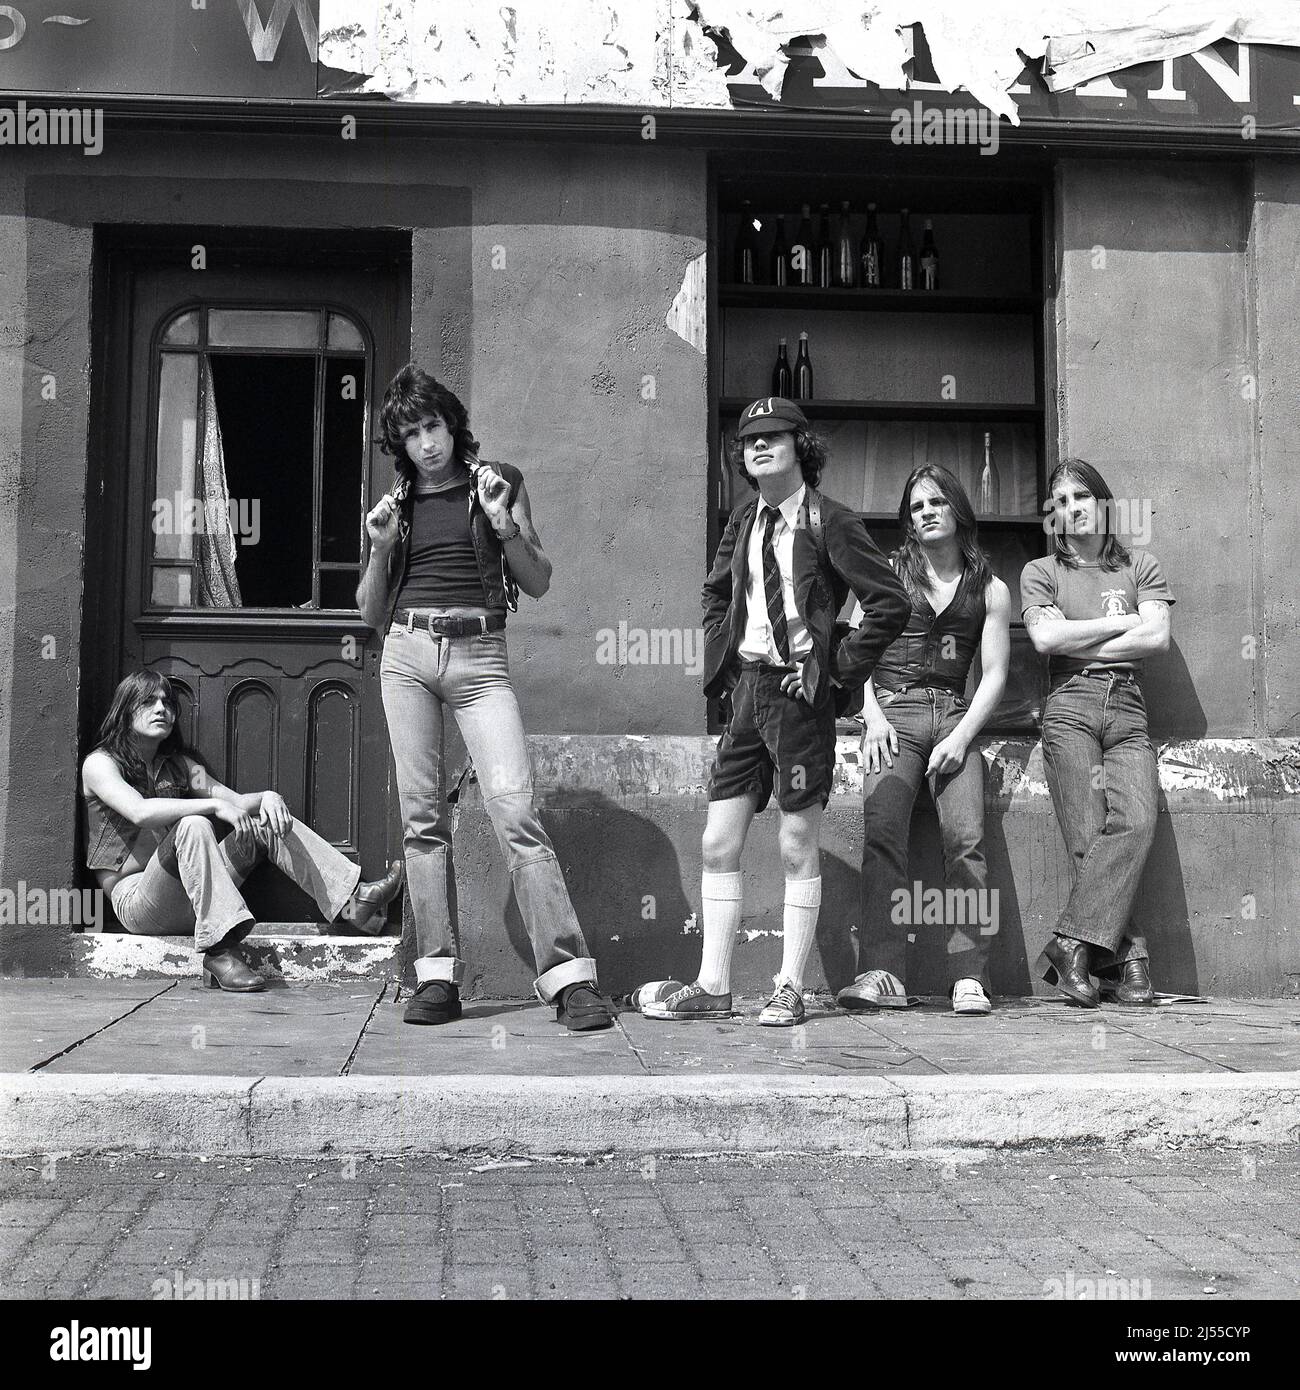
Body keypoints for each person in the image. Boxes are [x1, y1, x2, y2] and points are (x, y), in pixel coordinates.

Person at [356, 364, 613, 1031]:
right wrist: (380, 549)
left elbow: (540, 578)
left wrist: (502, 524)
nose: (426, 444)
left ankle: (567, 979)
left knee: (514, 813)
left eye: (433, 426)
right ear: (402, 444)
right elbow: (369, 612)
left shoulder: (496, 483)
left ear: (452, 424)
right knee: (422, 820)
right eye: (411, 434)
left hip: (481, 660)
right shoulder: (398, 504)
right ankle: (437, 979)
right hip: (408, 656)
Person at [643, 397, 911, 1026]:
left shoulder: (832, 521)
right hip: (746, 695)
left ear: (801, 447)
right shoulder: (744, 519)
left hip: (799, 700)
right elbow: (716, 592)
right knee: (717, 839)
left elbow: (889, 604)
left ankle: (788, 985)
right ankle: (712, 985)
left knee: (796, 842)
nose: (758, 448)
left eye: (773, 437)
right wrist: (726, 663)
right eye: (748, 441)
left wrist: (832, 671)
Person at [82, 670, 404, 993]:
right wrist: (210, 808)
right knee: (194, 824)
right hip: (138, 901)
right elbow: (139, 812)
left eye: (167, 702)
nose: (161, 709)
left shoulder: (179, 766)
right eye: (148, 701)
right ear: (125, 710)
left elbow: (233, 801)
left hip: (195, 892)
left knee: (266, 825)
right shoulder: (100, 764)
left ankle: (354, 901)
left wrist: (267, 798)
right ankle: (221, 950)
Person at [835, 465, 1011, 1017]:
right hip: (894, 714)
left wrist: (962, 738)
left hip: (956, 717)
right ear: (908, 522)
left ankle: (969, 978)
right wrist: (871, 716)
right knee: (884, 833)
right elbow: (851, 649)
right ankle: (884, 973)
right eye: (916, 507)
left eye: (937, 502)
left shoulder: (992, 588)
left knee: (966, 841)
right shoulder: (886, 574)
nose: (927, 512)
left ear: (958, 509)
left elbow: (997, 674)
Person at [1021, 459, 1174, 1007]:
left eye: (1079, 497)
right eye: (1058, 502)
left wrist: (1076, 636)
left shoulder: (1141, 566)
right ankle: (1130, 959)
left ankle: (1070, 944)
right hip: (1070, 703)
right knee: (1087, 837)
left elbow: (1157, 639)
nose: (1069, 509)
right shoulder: (1041, 572)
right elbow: (1044, 642)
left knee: (1136, 820)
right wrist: (1122, 623)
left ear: (1102, 502)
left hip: (1128, 708)